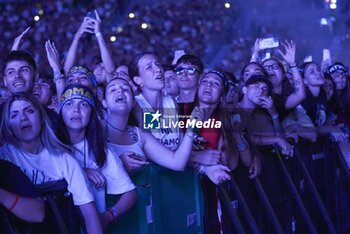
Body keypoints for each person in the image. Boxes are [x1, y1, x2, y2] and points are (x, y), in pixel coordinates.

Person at [0, 93, 103, 234]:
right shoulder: (4, 157)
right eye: (14, 115)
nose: (23, 117)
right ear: (9, 126)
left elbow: (89, 213)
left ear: (42, 118)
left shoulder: (64, 160)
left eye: (29, 111)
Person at [57, 84, 136, 230]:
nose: (76, 109)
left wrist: (109, 215)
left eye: (83, 104)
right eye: (69, 103)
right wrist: (81, 171)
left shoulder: (100, 149)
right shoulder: (50, 146)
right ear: (60, 111)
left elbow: (130, 194)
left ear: (91, 113)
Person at [102, 77, 203, 172]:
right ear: (104, 103)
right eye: (112, 90)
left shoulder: (140, 135)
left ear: (133, 102)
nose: (120, 91)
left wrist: (190, 129)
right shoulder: (97, 130)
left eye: (125, 89)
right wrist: (118, 162)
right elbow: (88, 167)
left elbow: (177, 163)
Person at [130, 53, 181, 150]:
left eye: (158, 64)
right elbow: (154, 151)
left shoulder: (172, 102)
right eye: (149, 67)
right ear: (138, 80)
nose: (158, 69)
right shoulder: (136, 106)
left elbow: (182, 143)